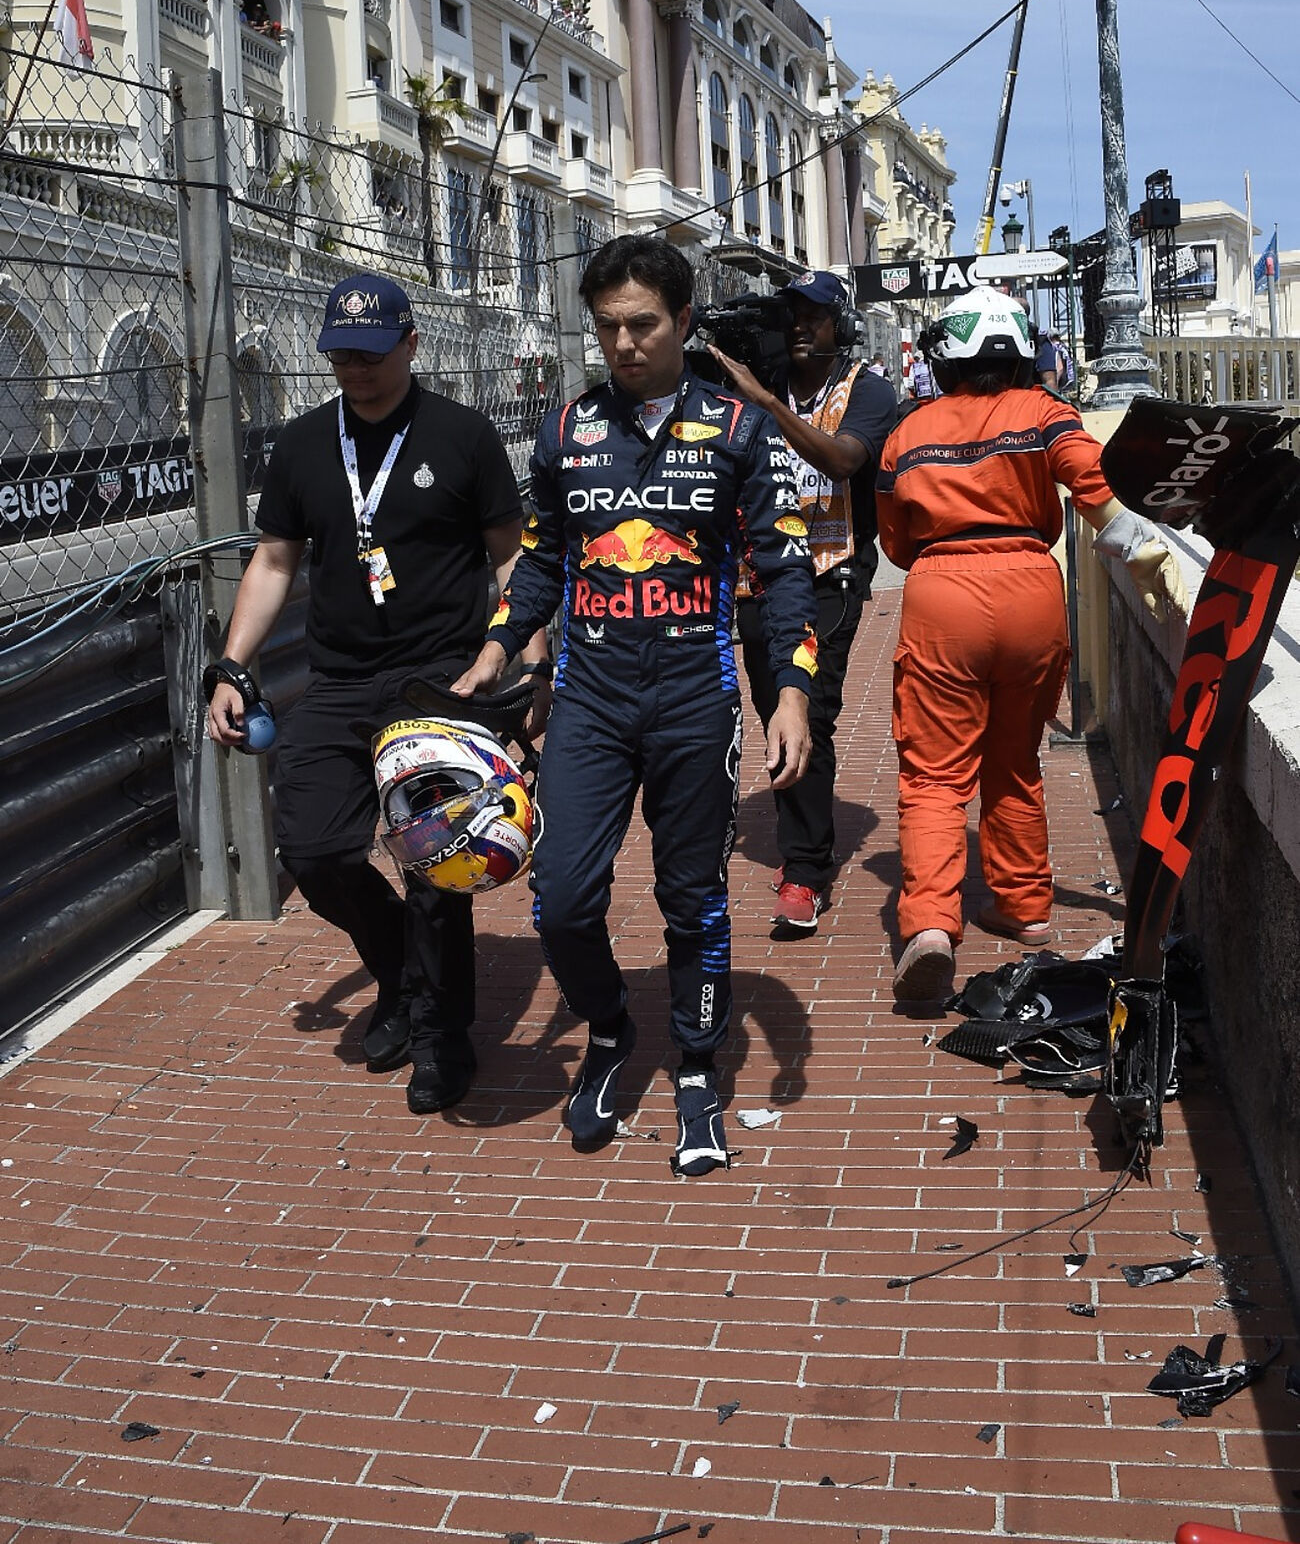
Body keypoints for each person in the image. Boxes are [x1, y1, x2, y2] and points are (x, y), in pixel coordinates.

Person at [455, 235, 817, 1177]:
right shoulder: (565, 429)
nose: (622, 343)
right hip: (592, 697)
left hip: (696, 694)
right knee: (562, 899)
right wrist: (497, 648)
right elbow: (537, 560)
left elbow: (783, 574)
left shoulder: (738, 431)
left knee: (690, 894)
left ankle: (698, 1068)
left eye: (641, 325)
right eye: (606, 326)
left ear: (684, 321)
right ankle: (613, 1031)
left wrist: (790, 696)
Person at [205, 273, 550, 1114]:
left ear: (409, 345)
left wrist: (531, 666)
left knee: (436, 865)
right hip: (341, 677)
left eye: (367, 352)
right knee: (316, 853)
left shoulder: (462, 436)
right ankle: (397, 969)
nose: (352, 368)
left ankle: (442, 1037)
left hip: (442, 678)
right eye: (339, 354)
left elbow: (511, 558)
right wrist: (230, 664)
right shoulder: (301, 444)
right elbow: (276, 561)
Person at [876, 286, 1188, 1003]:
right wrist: (1141, 552)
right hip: (1030, 588)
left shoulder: (906, 434)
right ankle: (1025, 908)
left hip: (941, 591)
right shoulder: (1046, 412)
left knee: (934, 776)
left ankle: (929, 924)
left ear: (945, 359)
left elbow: (895, 541)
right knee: (1015, 760)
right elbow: (1098, 492)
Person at [709, 269, 897, 934]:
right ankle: (805, 831)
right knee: (775, 710)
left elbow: (844, 461)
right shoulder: (756, 386)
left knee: (809, 708)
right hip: (759, 573)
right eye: (789, 315)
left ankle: (805, 870)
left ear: (839, 325)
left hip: (829, 573)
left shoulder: (867, 392)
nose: (798, 327)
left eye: (813, 316)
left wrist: (763, 401)